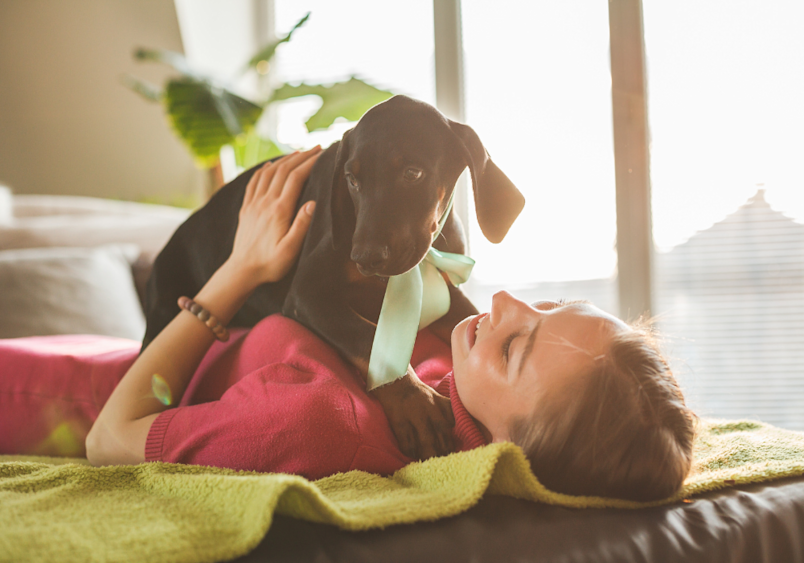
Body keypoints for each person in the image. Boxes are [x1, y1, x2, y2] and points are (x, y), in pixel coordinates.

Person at [0, 147, 696, 502]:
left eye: (516, 345)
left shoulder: (323, 422)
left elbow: (106, 437)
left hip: (49, 397)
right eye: (548, 306)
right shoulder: (445, 371)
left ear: (509, 451)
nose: (507, 303)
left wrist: (239, 269)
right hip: (106, 349)